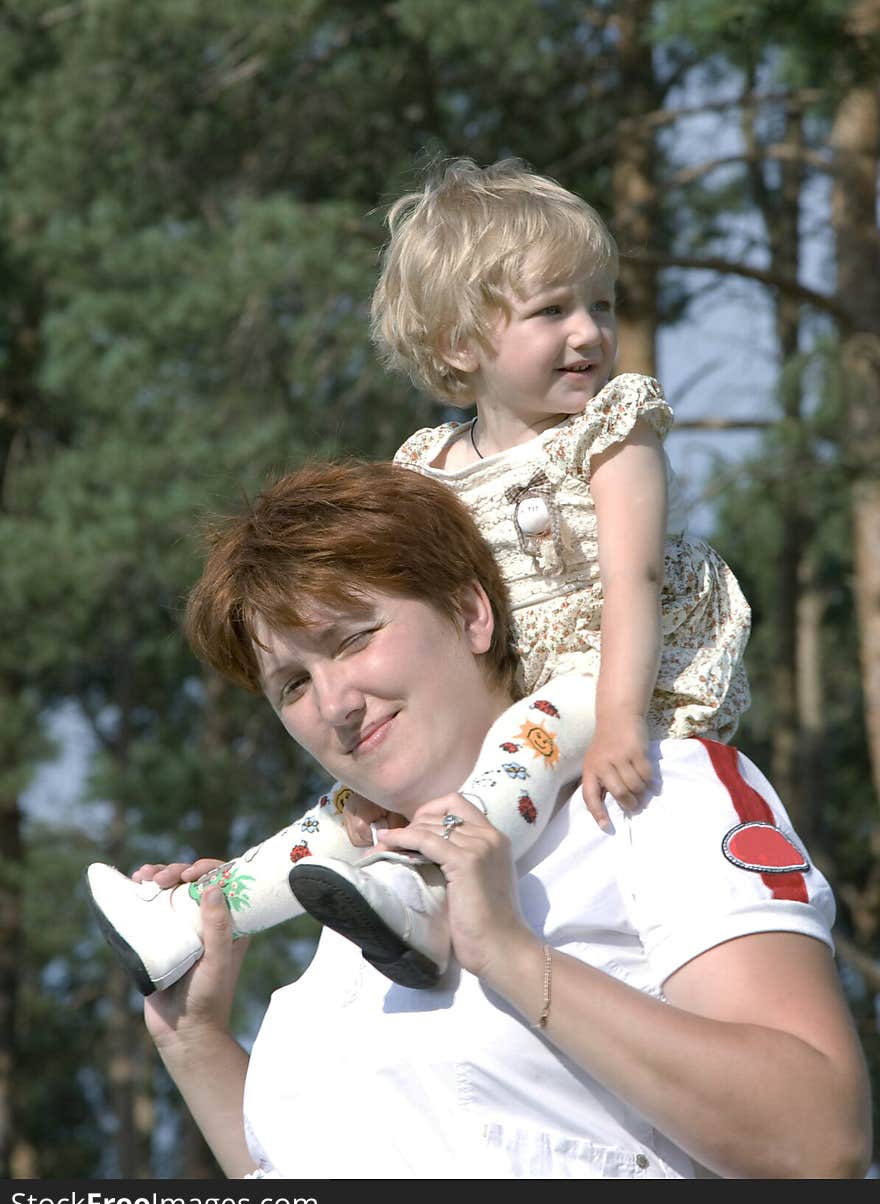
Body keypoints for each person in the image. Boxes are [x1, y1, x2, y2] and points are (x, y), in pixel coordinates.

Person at [86, 156, 750, 994]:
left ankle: (432, 897)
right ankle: (195, 917)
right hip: (510, 678)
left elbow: (635, 575)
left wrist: (620, 718)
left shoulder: (615, 429)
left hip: (603, 666)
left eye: (601, 304)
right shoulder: (427, 464)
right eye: (553, 311)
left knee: (525, 736)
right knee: (343, 811)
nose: (588, 331)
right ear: (460, 345)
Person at [138, 460, 871, 1180]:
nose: (336, 705)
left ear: (470, 613)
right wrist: (194, 1039)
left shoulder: (652, 794)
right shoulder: (352, 905)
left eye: (354, 638)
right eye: (294, 683)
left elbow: (820, 1141)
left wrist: (512, 957)